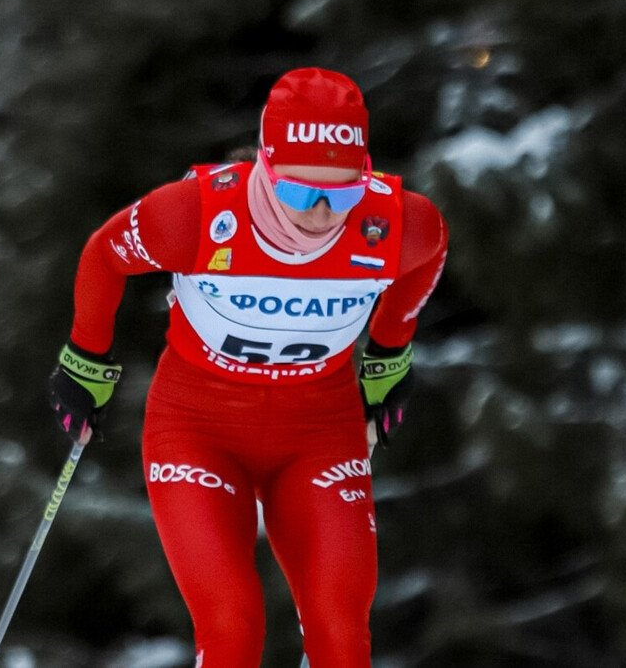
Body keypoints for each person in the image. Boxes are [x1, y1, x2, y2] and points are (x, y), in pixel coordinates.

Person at [48, 67, 447, 667]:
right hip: (197, 428)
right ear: (266, 165)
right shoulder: (197, 215)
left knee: (341, 629)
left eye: (339, 193)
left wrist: (390, 352)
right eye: (297, 191)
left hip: (319, 429)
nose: (318, 213)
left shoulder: (393, 224)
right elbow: (104, 256)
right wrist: (85, 362)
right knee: (232, 627)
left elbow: (430, 255)